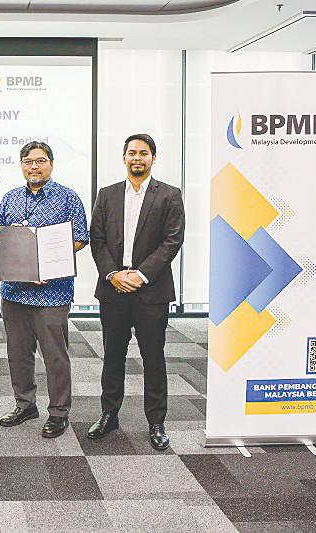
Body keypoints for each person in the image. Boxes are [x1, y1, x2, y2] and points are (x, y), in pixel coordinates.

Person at [87, 133, 185, 450]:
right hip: (113, 289)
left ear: (153, 158)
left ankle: (156, 421)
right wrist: (113, 274)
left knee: (153, 358)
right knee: (112, 356)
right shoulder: (107, 195)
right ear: (124, 157)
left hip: (151, 292)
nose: (137, 158)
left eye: (144, 153)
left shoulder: (169, 195)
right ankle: (109, 414)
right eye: (132, 153)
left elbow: (172, 241)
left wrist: (141, 275)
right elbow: (97, 240)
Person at [0, 140, 89, 438]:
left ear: (51, 164)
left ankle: (59, 412)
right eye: (28, 161)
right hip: (15, 291)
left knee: (55, 355)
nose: (34, 166)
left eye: (40, 161)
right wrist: (13, 237)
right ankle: (25, 404)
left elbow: (81, 238)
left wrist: (46, 261)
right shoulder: (10, 197)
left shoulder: (68, 198)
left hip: (52, 292)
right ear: (22, 165)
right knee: (18, 354)